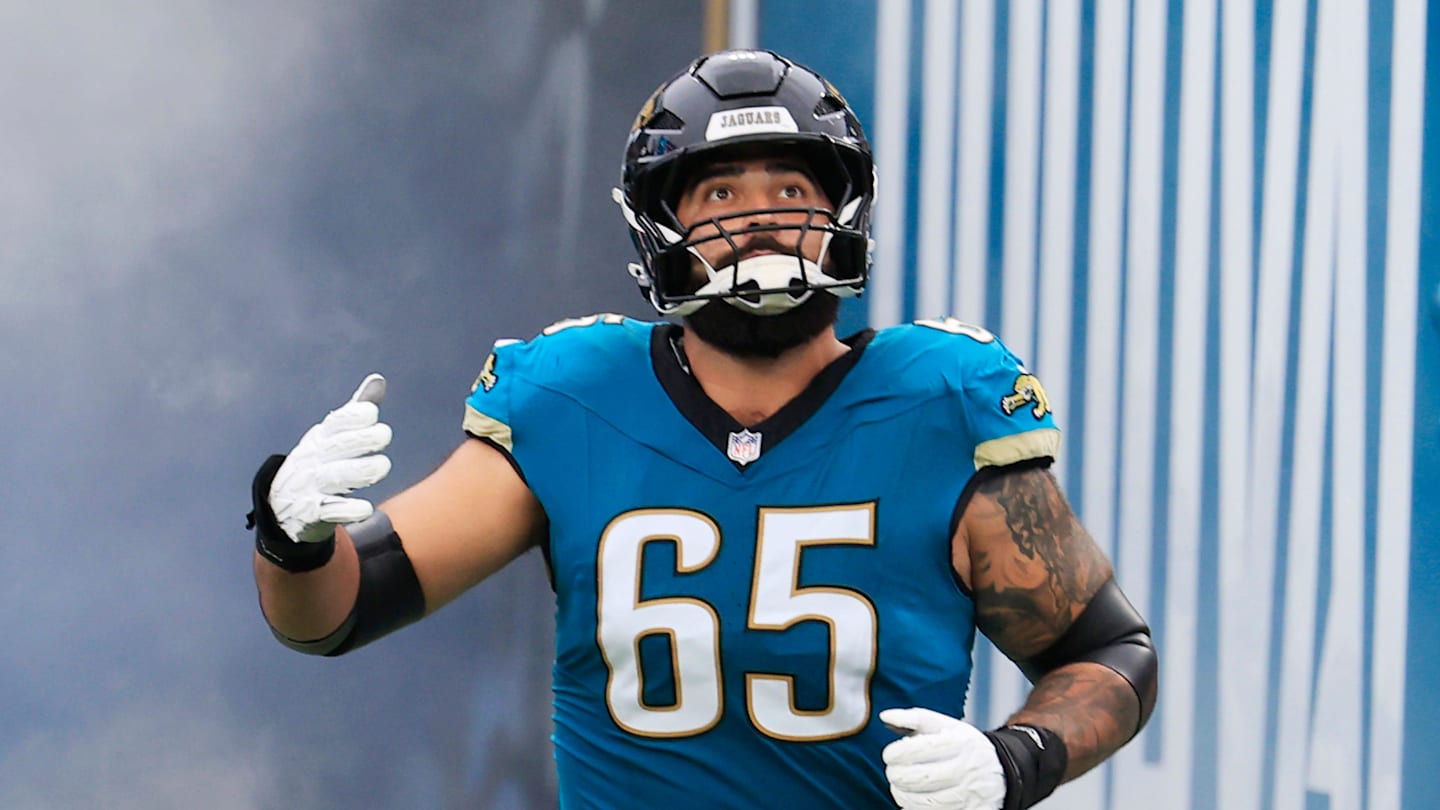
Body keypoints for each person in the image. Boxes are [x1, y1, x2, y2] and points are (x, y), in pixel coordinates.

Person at [248, 49, 1157, 810]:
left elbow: (1110, 654)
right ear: (660, 228)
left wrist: (1016, 758)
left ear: (843, 214)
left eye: (791, 187)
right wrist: (291, 540)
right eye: (719, 194)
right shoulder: (576, 397)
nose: (759, 221)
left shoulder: (941, 401)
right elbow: (337, 616)